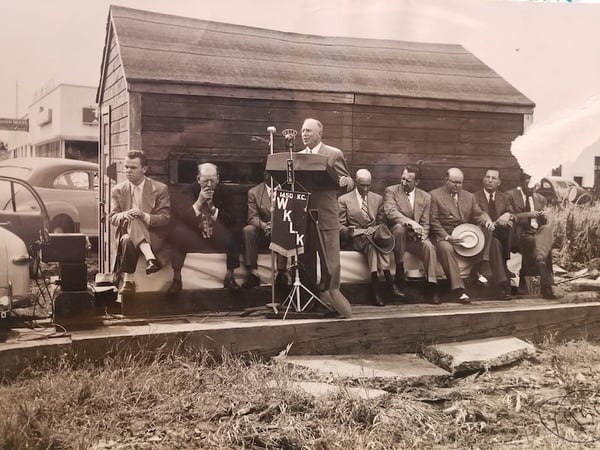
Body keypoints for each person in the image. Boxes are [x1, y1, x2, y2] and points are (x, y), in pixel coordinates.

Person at [430, 167, 508, 303]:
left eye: (460, 183)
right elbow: (433, 222)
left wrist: (487, 220)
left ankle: (480, 266)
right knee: (446, 248)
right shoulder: (435, 196)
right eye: (454, 182)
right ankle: (459, 290)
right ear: (445, 180)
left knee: (488, 230)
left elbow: (479, 214)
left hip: (464, 234)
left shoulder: (468, 196)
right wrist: (448, 237)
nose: (457, 186)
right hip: (445, 235)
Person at [299, 118, 354, 292]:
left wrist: (347, 181)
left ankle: (332, 299)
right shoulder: (299, 156)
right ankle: (309, 298)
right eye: (303, 131)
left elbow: (348, 181)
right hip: (304, 215)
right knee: (305, 259)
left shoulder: (333, 153)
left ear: (319, 133)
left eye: (308, 130)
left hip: (326, 214)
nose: (304, 134)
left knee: (330, 261)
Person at [168, 162, 241, 294]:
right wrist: (199, 202)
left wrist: (213, 208)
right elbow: (181, 220)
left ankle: (230, 276)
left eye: (212, 180)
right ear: (198, 179)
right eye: (205, 180)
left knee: (235, 232)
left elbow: (232, 220)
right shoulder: (188, 191)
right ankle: (177, 278)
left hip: (216, 235)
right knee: (177, 232)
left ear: (218, 179)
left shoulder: (225, 191)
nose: (209, 184)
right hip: (195, 235)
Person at [109, 150, 170, 294]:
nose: (128, 171)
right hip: (128, 233)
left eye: (133, 168)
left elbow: (165, 218)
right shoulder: (118, 190)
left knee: (134, 224)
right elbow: (113, 218)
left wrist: (143, 215)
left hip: (153, 234)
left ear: (144, 169)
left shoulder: (160, 189)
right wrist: (125, 215)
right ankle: (150, 259)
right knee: (131, 225)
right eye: (126, 167)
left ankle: (128, 281)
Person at [384, 164, 440, 304]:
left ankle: (432, 285)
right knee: (399, 228)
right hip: (397, 238)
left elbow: (426, 222)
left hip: (415, 238)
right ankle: (400, 269)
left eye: (408, 181)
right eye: (402, 179)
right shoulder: (391, 191)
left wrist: (423, 236)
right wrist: (411, 222)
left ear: (417, 182)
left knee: (429, 247)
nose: (403, 183)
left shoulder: (425, 197)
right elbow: (391, 212)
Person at [339, 169, 395, 306]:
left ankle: (376, 287)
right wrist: (354, 231)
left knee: (373, 243)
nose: (365, 189)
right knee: (371, 243)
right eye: (362, 185)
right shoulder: (344, 200)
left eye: (368, 186)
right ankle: (386, 282)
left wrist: (373, 229)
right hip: (354, 238)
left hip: (373, 237)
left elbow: (382, 223)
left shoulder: (377, 199)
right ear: (356, 182)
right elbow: (339, 226)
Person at [506, 172, 557, 299]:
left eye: (534, 185)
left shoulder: (540, 198)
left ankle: (539, 261)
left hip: (537, 232)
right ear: (522, 182)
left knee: (546, 230)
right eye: (528, 183)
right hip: (521, 233)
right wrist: (529, 214)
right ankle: (545, 287)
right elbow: (510, 216)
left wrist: (544, 217)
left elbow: (542, 223)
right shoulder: (511, 195)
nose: (532, 188)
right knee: (535, 245)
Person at [473, 168, 515, 296]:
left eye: (493, 178)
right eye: (487, 177)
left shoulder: (504, 197)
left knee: (508, 226)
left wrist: (508, 215)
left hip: (501, 234)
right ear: (483, 179)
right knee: (494, 243)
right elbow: (476, 214)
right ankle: (502, 284)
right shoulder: (475, 196)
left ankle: (484, 267)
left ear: (499, 182)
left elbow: (513, 214)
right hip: (483, 233)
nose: (489, 180)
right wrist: (487, 222)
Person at [241, 171, 287, 288]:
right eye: (268, 174)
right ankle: (253, 273)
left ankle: (282, 273)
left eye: (275, 173)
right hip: (262, 231)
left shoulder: (288, 191)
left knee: (284, 229)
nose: (271, 177)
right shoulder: (254, 192)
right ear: (264, 174)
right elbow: (252, 217)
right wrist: (264, 226)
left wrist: (277, 225)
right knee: (248, 230)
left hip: (281, 230)